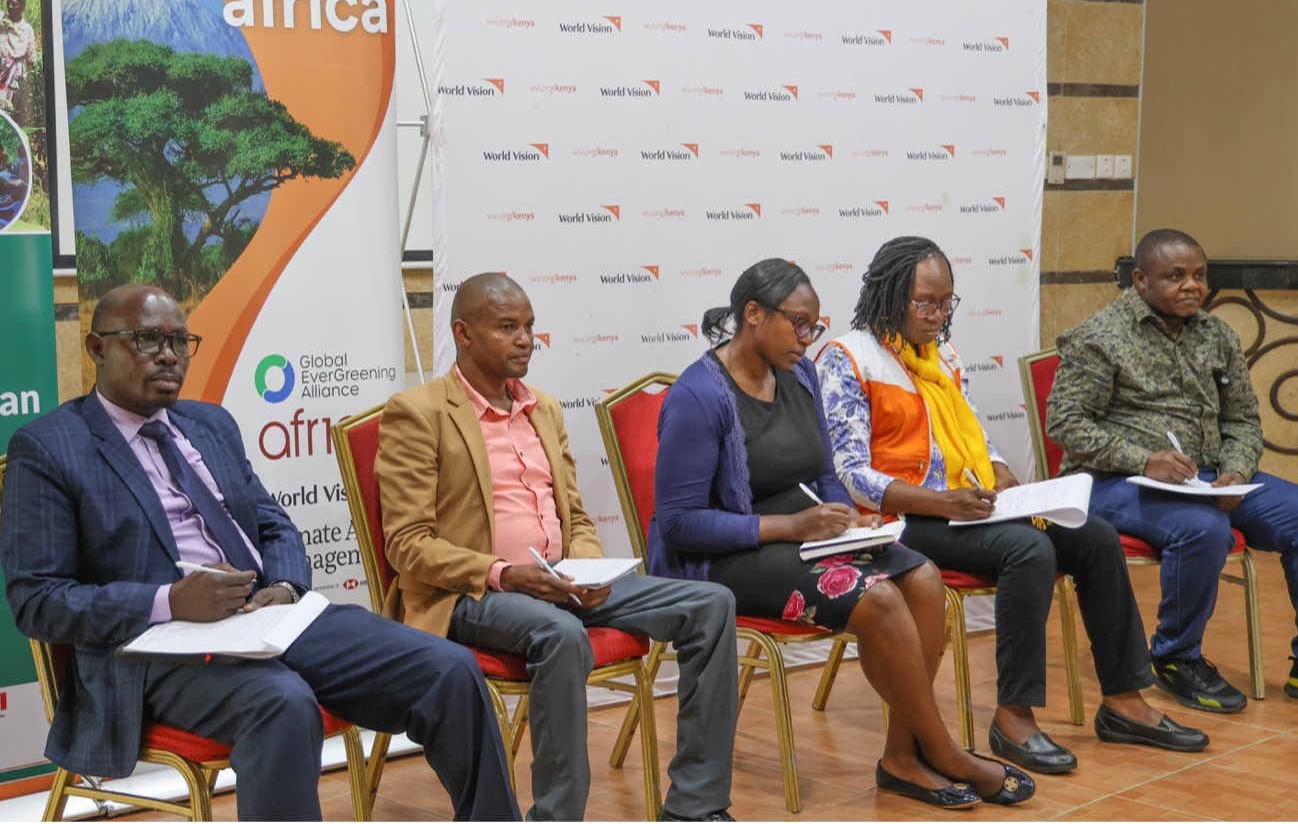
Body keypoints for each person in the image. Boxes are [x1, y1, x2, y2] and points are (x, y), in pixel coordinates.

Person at [0, 284, 520, 822]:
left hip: (267, 620)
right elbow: (38, 600)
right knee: (283, 703)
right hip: (152, 652)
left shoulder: (209, 424)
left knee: (449, 667)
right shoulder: (50, 447)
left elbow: (273, 524)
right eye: (147, 339)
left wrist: (285, 588)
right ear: (96, 348)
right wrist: (170, 601)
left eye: (180, 341)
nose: (168, 355)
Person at [649, 258, 1035, 809]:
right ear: (752, 315)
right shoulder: (699, 396)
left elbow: (826, 471)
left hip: (811, 539)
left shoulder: (799, 374)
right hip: (725, 557)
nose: (807, 340)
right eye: (797, 324)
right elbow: (680, 523)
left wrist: (847, 517)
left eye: (814, 326)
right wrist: (791, 526)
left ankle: (902, 758)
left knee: (923, 577)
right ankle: (945, 750)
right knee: (878, 599)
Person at [816, 236, 1209, 773]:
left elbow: (975, 430)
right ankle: (1013, 716)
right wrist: (940, 499)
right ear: (889, 297)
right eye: (925, 303)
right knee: (1027, 550)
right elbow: (851, 472)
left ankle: (1123, 700)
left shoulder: (941, 354)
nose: (937, 316)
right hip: (900, 521)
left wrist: (1000, 472)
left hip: (966, 505)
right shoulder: (848, 358)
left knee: (1092, 537)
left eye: (946, 302)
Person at [377, 273, 741, 823]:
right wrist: (506, 573)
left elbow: (574, 514)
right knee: (561, 634)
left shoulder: (543, 407)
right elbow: (409, 546)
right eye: (507, 327)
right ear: (463, 333)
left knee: (710, 605)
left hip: (561, 579)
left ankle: (696, 805)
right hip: (472, 591)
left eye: (529, 327)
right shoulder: (419, 412)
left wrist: (589, 568)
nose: (525, 339)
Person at [1047, 228, 1298, 715]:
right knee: (1203, 529)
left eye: (1199, 276)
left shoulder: (1217, 334)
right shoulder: (1098, 337)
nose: (1192, 287)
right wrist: (1143, 459)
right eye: (1175, 276)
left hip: (1207, 476)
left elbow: (1242, 419)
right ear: (1140, 279)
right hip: (1113, 481)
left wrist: (1235, 471)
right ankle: (1176, 657)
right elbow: (1066, 422)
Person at [0, 0, 35, 121]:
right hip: (1, 68)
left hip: (15, 73)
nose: (10, 6)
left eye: (14, 4)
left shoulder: (27, 29)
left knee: (9, 108)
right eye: (8, 3)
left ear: (22, 7)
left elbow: (30, 58)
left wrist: (29, 82)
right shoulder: (2, 21)